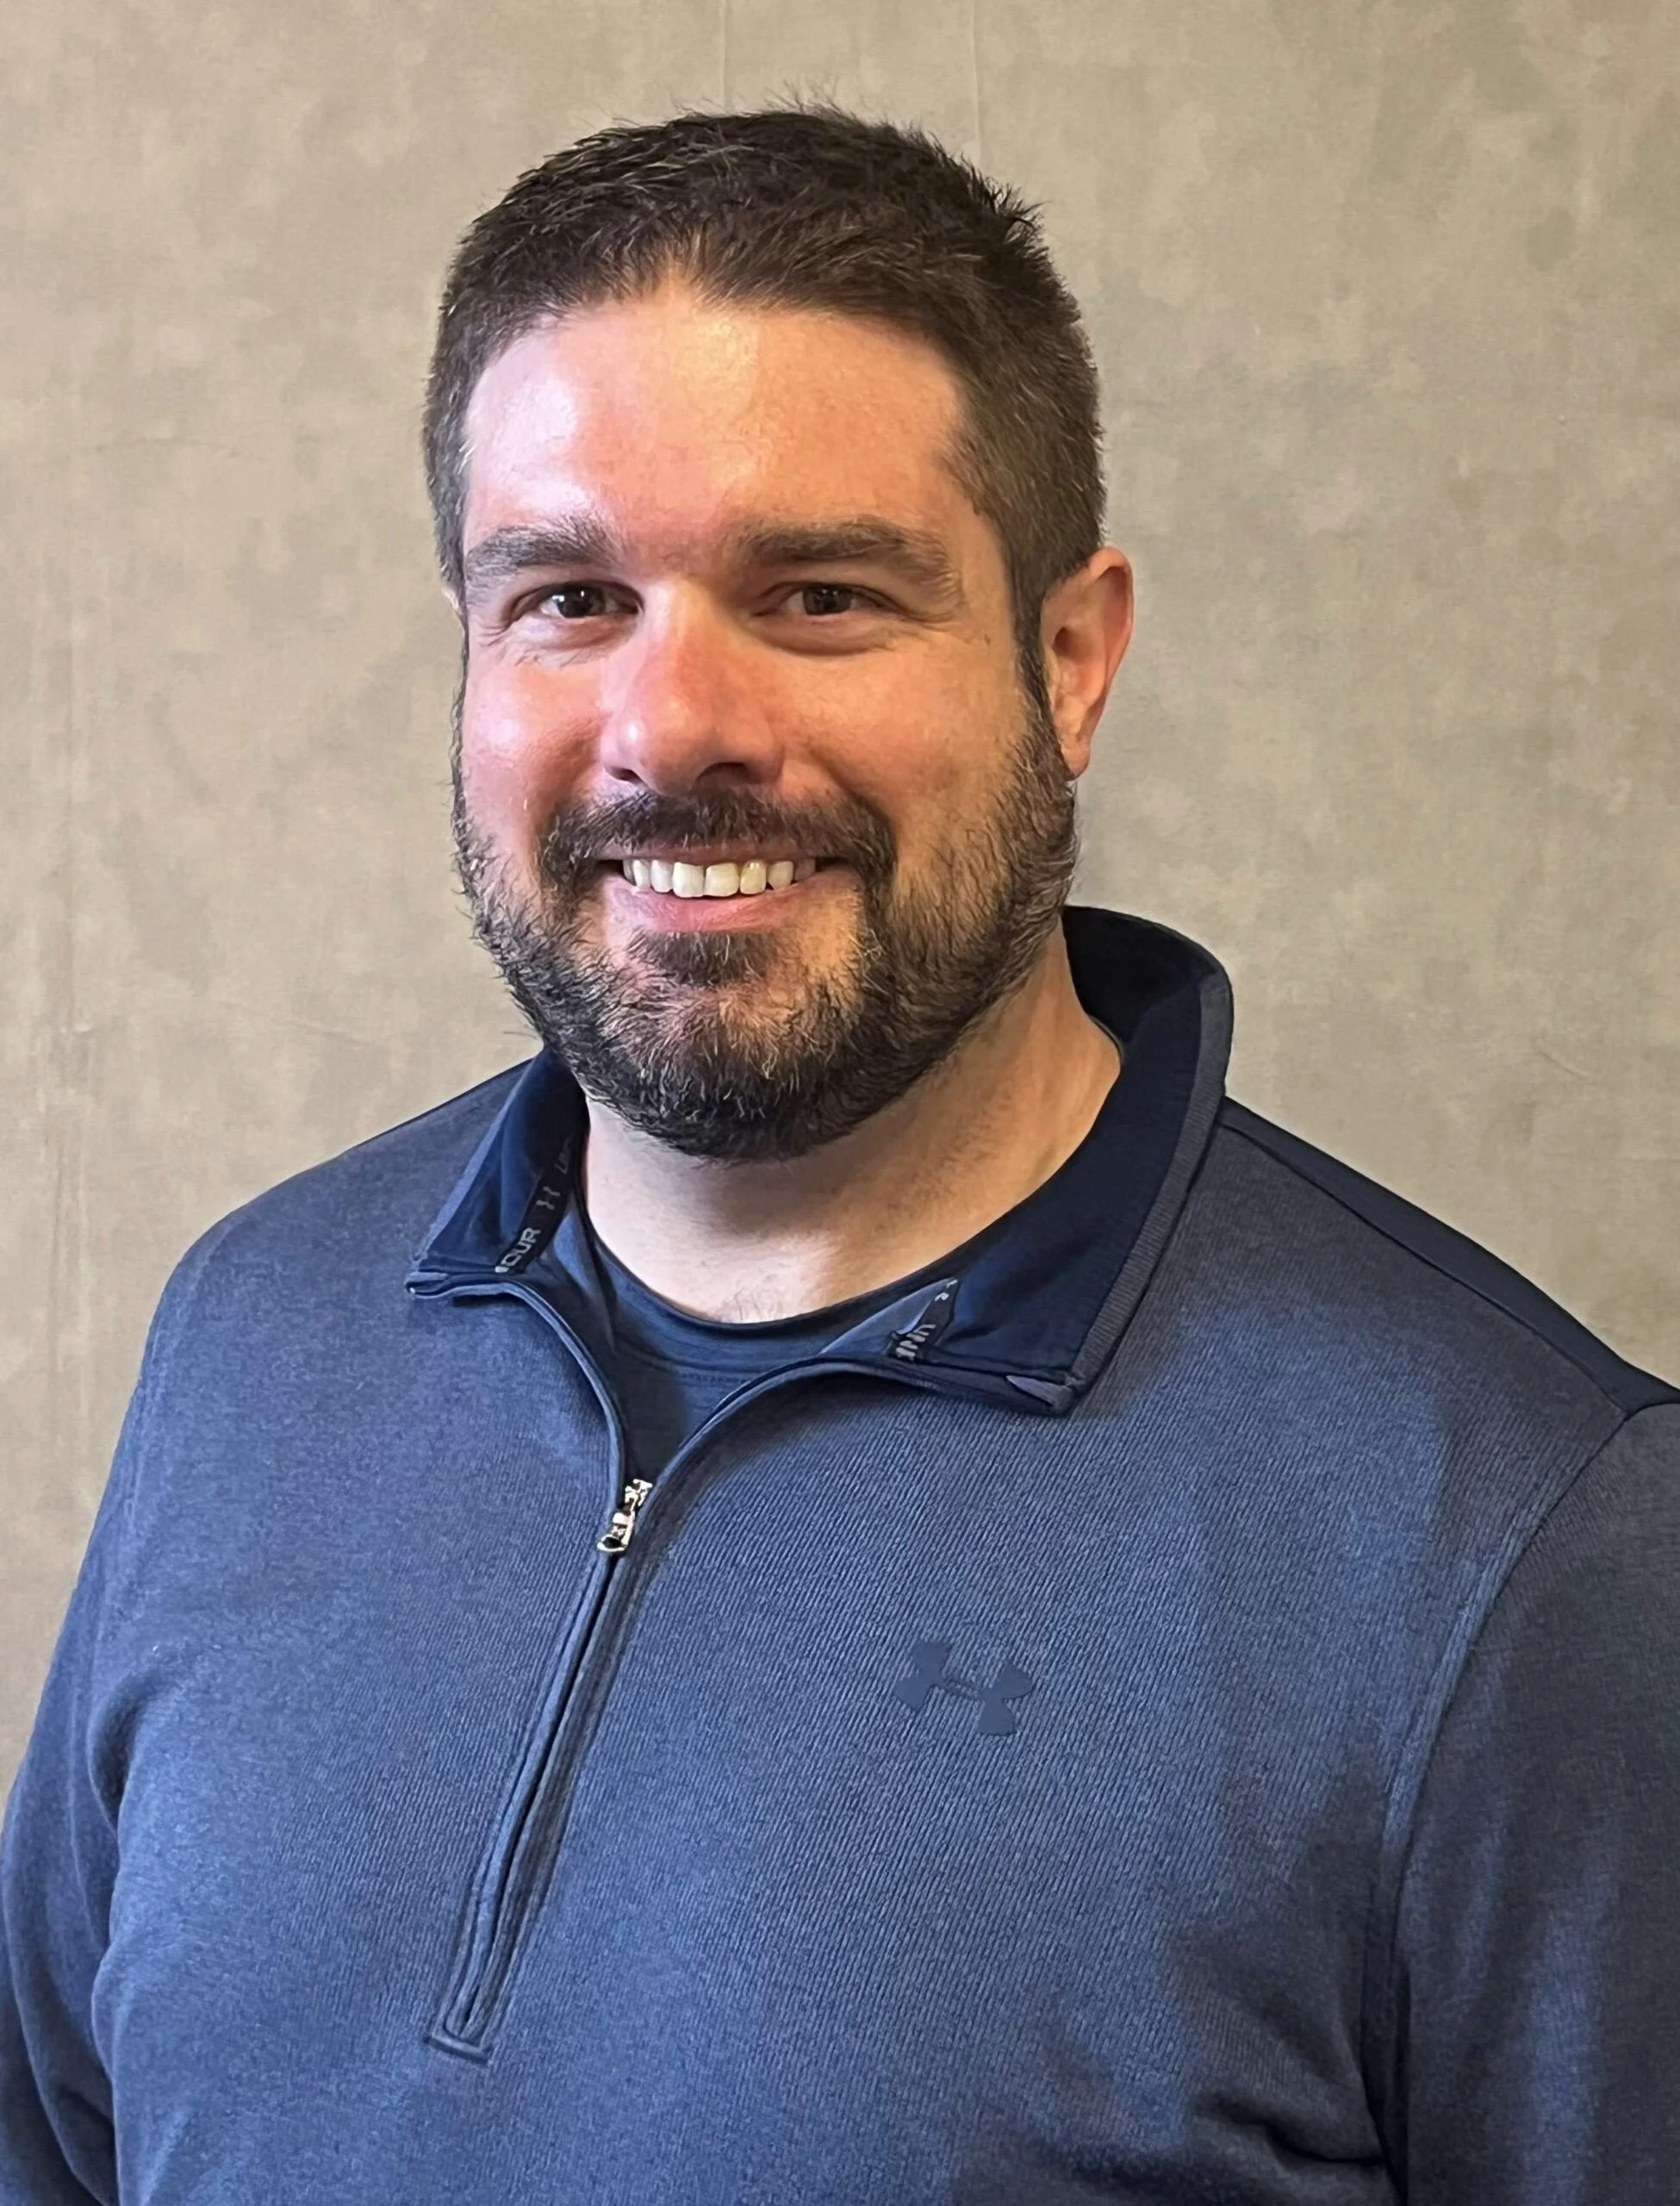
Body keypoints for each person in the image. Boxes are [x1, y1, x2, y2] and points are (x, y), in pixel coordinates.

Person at [2, 99, 1676, 2206]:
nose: (672, 718)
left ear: (1070, 662)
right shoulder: (253, 1334)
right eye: (572, 595)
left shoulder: (1523, 1540)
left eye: (816, 594)